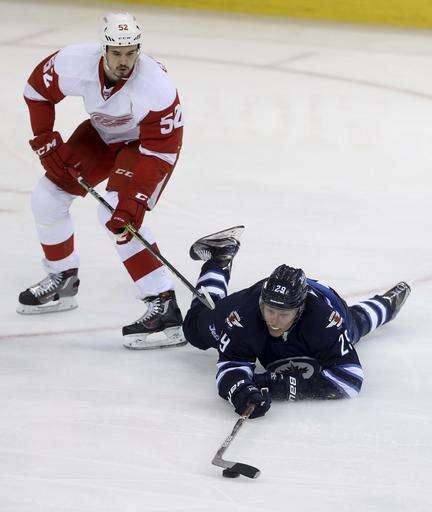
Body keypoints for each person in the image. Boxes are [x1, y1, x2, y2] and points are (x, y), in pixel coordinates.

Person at [18, 12, 185, 349]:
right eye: (117, 53)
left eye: (131, 53)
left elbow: (162, 150)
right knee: (47, 198)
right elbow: (36, 90)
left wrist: (135, 200)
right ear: (104, 49)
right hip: (101, 134)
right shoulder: (75, 62)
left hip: (145, 147)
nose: (124, 61)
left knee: (116, 215)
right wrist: (45, 137)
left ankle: (163, 303)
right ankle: (63, 277)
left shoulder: (156, 86)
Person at [182, 226, 411, 418]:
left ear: (300, 310)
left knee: (353, 327)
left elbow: (350, 380)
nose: (274, 320)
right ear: (262, 303)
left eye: (284, 314)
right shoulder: (245, 315)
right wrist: (241, 391)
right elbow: (231, 364)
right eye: (270, 311)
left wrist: (279, 386)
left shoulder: (321, 319)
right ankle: (220, 257)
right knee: (194, 330)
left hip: (325, 296)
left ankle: (386, 305)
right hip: (253, 302)